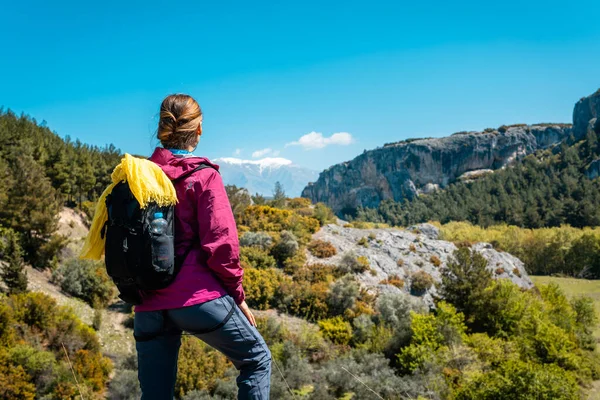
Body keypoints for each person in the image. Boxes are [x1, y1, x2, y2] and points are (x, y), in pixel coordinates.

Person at [134, 94, 271, 399]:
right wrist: (238, 296)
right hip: (197, 299)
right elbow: (222, 246)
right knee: (256, 359)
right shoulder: (203, 176)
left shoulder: (138, 176)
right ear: (198, 131)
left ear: (161, 127)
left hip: (147, 303)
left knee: (156, 394)